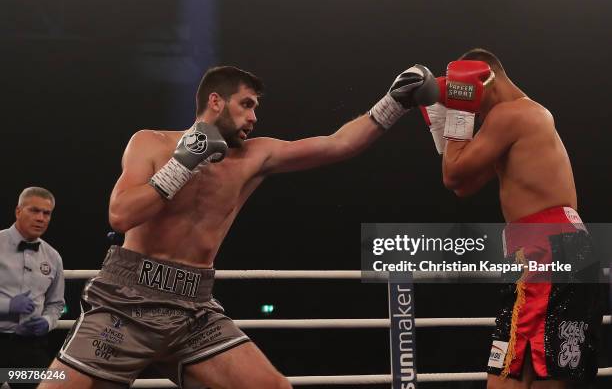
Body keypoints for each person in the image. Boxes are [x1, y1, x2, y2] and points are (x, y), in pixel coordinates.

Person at [41, 64, 439, 389]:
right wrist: (185, 162)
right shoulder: (151, 143)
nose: (254, 117)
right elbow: (121, 215)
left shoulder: (256, 155)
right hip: (125, 302)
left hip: (193, 308)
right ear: (215, 101)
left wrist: (394, 101)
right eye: (246, 105)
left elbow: (339, 144)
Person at [426, 48, 601, 388]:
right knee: (548, 375)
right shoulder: (525, 116)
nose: (471, 107)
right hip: (569, 249)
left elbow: (451, 175)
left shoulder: (509, 115)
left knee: (507, 378)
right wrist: (444, 119)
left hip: (545, 252)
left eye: (468, 94)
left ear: (485, 80)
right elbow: (463, 184)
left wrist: (452, 115)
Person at [0, 187, 65, 389]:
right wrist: (7, 305)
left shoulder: (52, 257)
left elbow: (56, 304)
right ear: (18, 211)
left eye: (46, 213)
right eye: (34, 211)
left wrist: (46, 322)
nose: (41, 218)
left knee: (50, 385)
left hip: (28, 346)